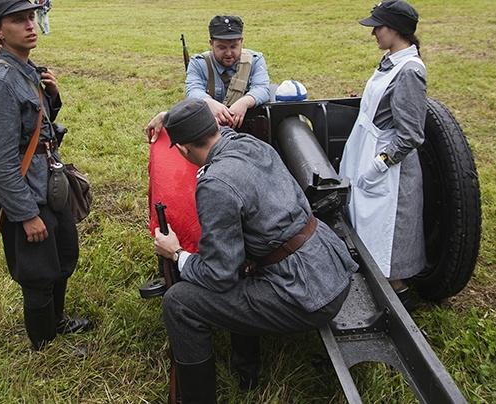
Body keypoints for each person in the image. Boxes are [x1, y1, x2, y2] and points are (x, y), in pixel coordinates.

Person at [153, 98, 359, 402]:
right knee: (242, 272)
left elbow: (218, 276)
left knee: (179, 302)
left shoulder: (215, 184)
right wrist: (169, 116)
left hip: (306, 295)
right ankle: (245, 372)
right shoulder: (250, 144)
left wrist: (176, 253)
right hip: (329, 267)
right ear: (216, 127)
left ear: (183, 149)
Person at [0, 0, 90, 351]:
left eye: (31, 17)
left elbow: (35, 130)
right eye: (18, 20)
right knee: (38, 271)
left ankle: (56, 322)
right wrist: (25, 214)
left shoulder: (27, 71)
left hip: (47, 181)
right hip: (22, 190)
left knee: (62, 254)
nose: (30, 25)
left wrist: (52, 99)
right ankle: (44, 343)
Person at [339, 0, 427, 311]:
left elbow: (411, 134)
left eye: (379, 26)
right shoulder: (392, 60)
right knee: (368, 233)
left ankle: (402, 304)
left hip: (389, 169)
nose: (373, 32)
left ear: (396, 29)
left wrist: (380, 164)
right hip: (367, 153)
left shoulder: (410, 72)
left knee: (386, 241)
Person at [146, 15, 270, 141]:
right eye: (221, 47)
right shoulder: (199, 63)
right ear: (211, 43)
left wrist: (245, 102)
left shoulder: (255, 60)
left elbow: (262, 88)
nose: (228, 53)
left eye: (234, 46)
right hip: (210, 133)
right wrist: (208, 102)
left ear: (242, 41)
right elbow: (193, 90)